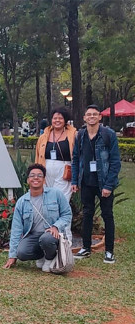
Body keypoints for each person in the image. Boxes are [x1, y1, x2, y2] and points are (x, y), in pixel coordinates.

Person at [71, 104, 121, 263]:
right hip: (86, 182)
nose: (91, 117)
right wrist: (74, 180)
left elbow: (115, 162)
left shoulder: (108, 135)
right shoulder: (80, 135)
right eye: (88, 115)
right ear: (84, 118)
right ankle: (86, 247)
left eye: (95, 114)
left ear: (100, 117)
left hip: (104, 182)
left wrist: (108, 185)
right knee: (87, 214)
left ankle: (109, 251)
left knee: (107, 215)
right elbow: (75, 159)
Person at [4, 164, 72, 272]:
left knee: (46, 239)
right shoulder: (22, 202)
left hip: (52, 234)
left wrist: (56, 226)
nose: (36, 178)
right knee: (21, 253)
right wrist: (12, 255)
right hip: (34, 236)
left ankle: (49, 258)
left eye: (40, 175)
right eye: (32, 175)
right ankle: (42, 255)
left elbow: (67, 214)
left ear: (44, 180)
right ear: (28, 180)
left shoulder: (56, 194)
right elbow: (16, 229)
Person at [35, 107, 77, 202]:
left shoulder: (73, 135)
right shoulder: (43, 136)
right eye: (55, 118)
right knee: (47, 200)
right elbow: (38, 156)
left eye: (60, 118)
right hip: (46, 171)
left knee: (61, 200)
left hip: (64, 172)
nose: (57, 120)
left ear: (65, 120)